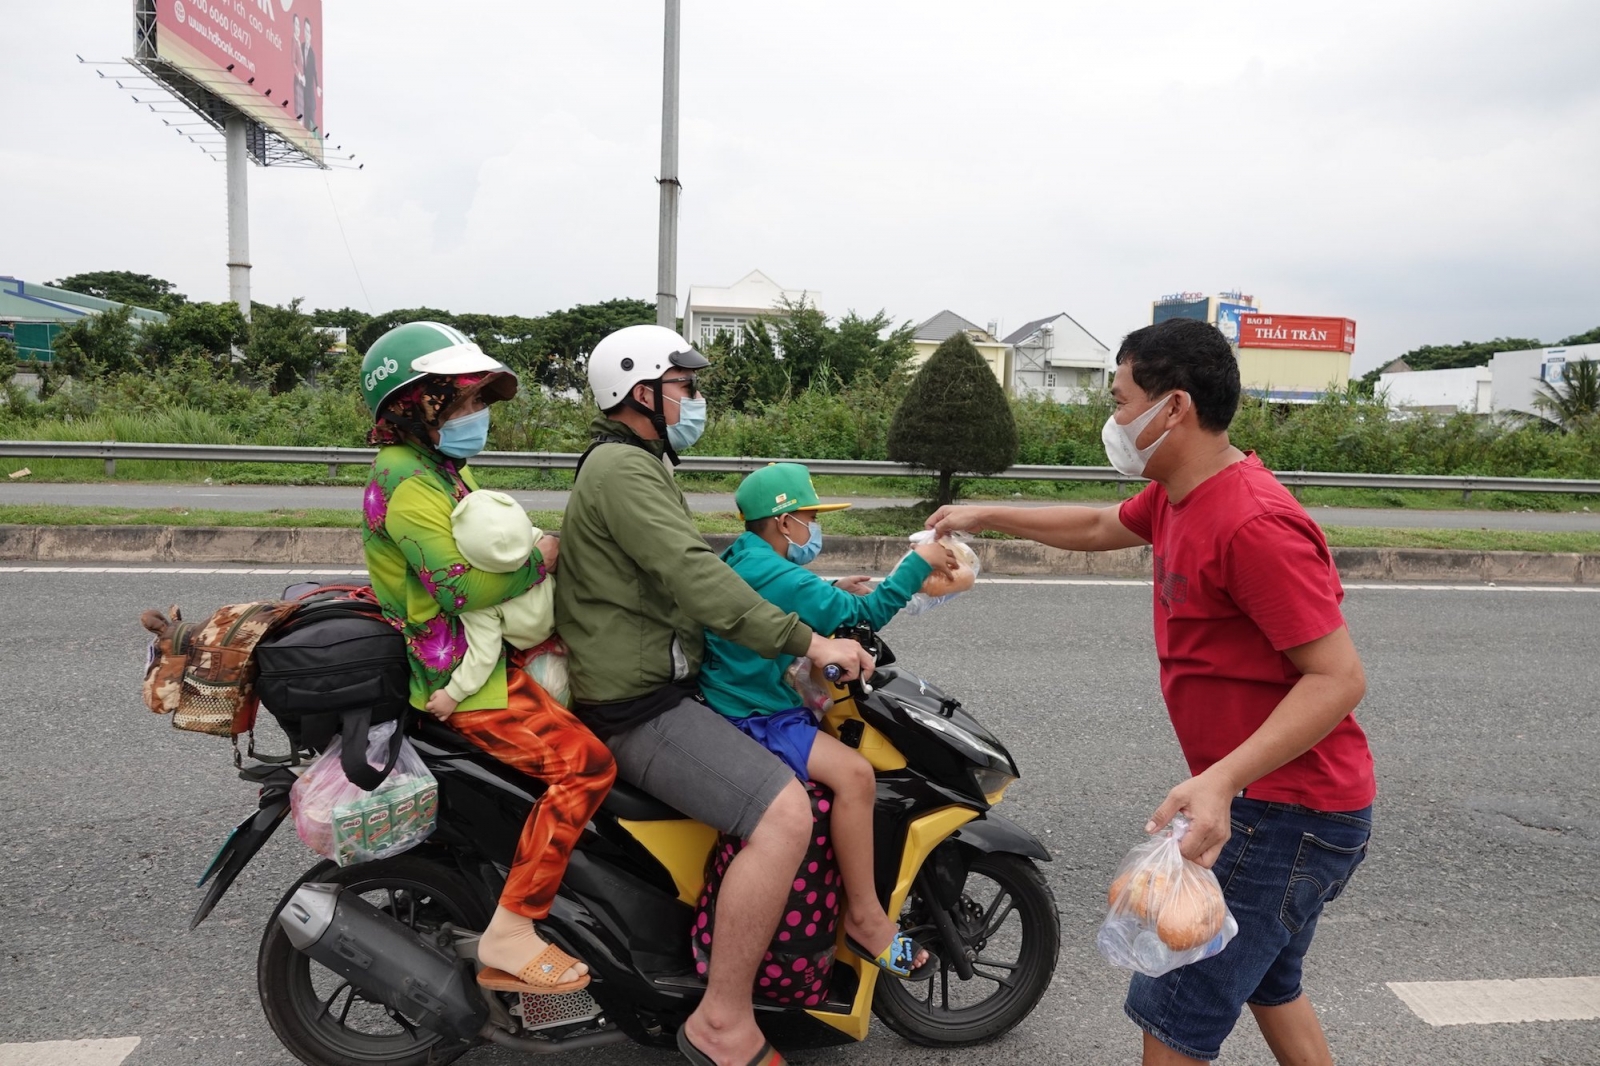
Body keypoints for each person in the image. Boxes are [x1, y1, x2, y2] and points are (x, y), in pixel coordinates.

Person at [928, 317, 1375, 1066]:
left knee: (1171, 1015)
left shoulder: (1252, 522)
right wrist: (984, 513)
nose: (1115, 418)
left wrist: (1221, 781)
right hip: (1280, 805)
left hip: (1282, 811)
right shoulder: (1178, 494)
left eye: (1122, 399)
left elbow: (1339, 678)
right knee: (1271, 985)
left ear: (1174, 408)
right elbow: (1102, 524)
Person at [554, 324, 876, 1066]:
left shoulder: (637, 466)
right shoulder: (624, 473)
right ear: (643, 393)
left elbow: (704, 571)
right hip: (636, 705)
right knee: (785, 815)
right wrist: (809, 641)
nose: (695, 399)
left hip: (659, 687)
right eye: (685, 386)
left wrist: (818, 601)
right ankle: (723, 1022)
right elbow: (697, 582)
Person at [359, 321, 616, 996]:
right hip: (461, 671)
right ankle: (513, 930)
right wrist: (542, 558)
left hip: (489, 643)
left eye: (479, 403)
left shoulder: (440, 465)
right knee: (586, 766)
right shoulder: (407, 481)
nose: (478, 417)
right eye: (463, 403)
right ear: (416, 406)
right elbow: (458, 585)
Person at [698, 462, 954, 980]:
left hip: (739, 698)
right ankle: (865, 918)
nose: (815, 527)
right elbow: (866, 616)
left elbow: (785, 597)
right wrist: (916, 562)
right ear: (783, 522)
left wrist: (833, 586)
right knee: (856, 775)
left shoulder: (747, 556)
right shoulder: (774, 570)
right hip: (754, 715)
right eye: (810, 515)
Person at [423, 489, 560, 719]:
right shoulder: (538, 541)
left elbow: (485, 653)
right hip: (561, 621)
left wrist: (453, 694)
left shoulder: (479, 599)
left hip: (525, 645)